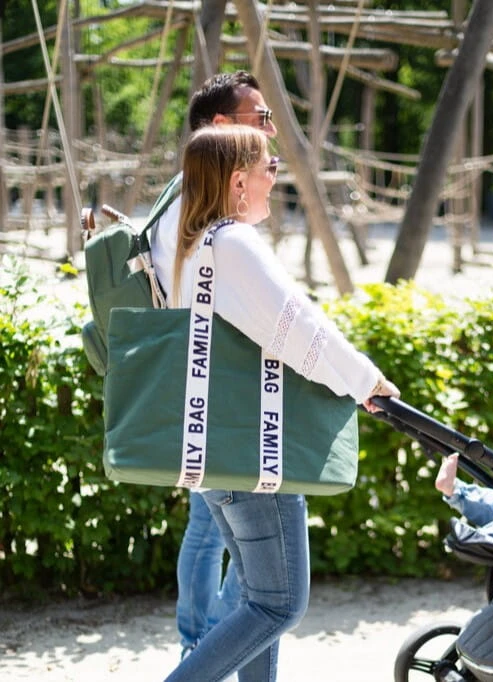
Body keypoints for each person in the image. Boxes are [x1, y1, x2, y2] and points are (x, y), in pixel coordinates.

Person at [159, 124, 399, 681]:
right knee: (279, 604)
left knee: (255, 598)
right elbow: (298, 330)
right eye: (269, 168)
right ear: (238, 181)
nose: (275, 178)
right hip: (254, 449)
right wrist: (366, 381)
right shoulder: (234, 244)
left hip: (214, 446)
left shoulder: (192, 245)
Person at [151, 70, 279, 660]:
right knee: (263, 585)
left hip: (201, 395)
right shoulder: (212, 220)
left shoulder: (180, 200)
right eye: (261, 119)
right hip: (224, 405)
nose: (271, 131)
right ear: (224, 127)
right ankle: (201, 649)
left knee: (215, 538)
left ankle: (203, 646)